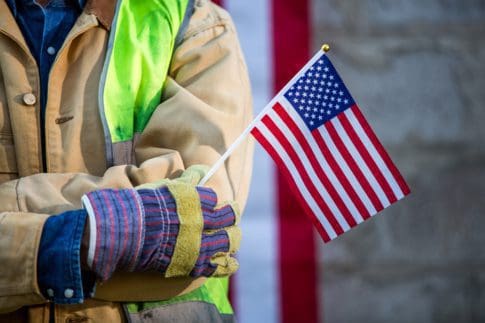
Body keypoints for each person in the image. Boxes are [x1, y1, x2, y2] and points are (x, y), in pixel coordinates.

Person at [0, 0, 253, 321]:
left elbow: (200, 218)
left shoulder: (190, 20)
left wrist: (18, 236)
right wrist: (86, 234)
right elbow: (168, 227)